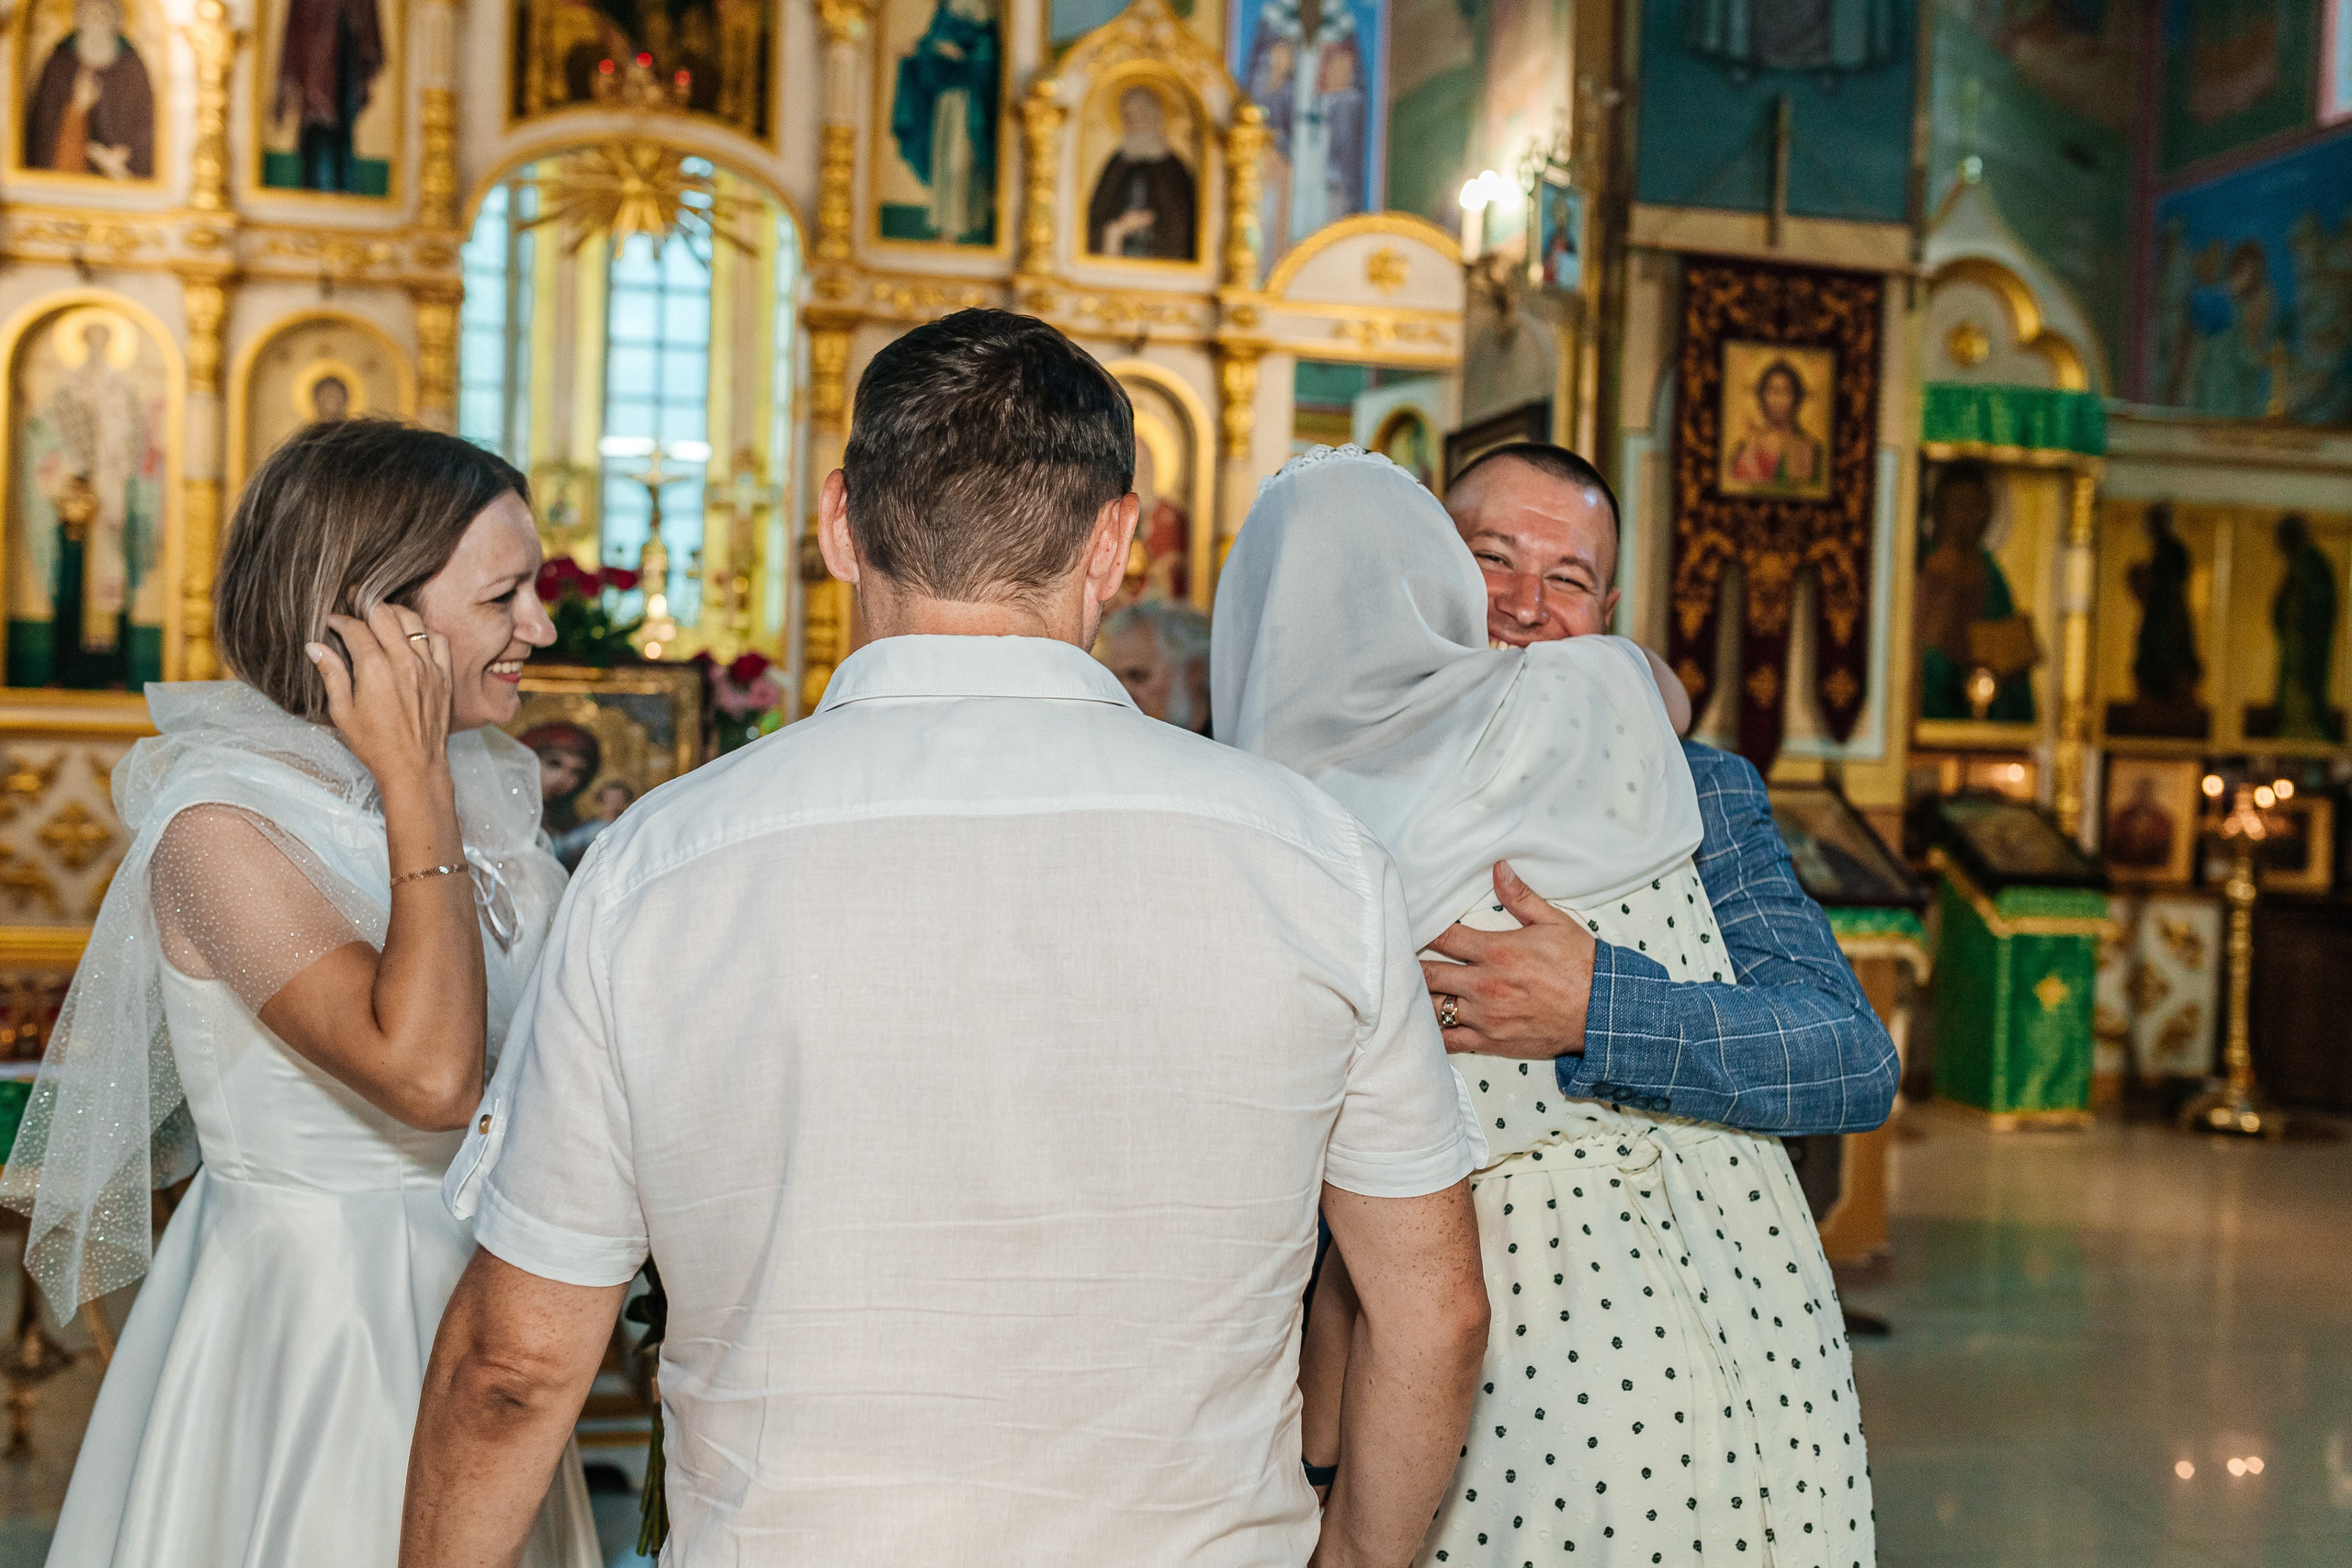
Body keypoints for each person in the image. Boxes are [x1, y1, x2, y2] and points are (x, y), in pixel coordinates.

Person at [400, 310, 1490, 1567]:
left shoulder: (660, 865)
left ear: (838, 525)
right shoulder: (1316, 861)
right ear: (1117, 541)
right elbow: (1435, 1310)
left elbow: (515, 1365)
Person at [1218, 444, 1879, 1566]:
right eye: (1490, 563)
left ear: (1610, 612)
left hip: (1759, 1318)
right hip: (1496, 1346)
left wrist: (1599, 1005)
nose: (1527, 607)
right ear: (1423, 579)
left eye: (1566, 580)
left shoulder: (1697, 782)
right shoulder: (1311, 796)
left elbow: (1843, 1058)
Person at [2, 420, 598, 1568]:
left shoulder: (494, 799)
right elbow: (427, 1076)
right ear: (377, 619)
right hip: (318, 1323)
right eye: (506, 596)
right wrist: (413, 770)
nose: (542, 629)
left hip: (487, 1318)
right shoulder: (220, 829)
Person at [23, 0, 154, 180]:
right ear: (78, 21)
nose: (96, 22)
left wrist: (126, 152)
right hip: (68, 173)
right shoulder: (60, 64)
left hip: (121, 171)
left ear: (115, 22)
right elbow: (43, 128)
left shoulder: (132, 66)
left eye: (103, 15)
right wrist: (77, 108)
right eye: (89, 14)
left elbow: (147, 124)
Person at [273, 0, 384, 191]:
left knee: (340, 144)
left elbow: (368, 36)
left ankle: (343, 191)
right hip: (313, 92)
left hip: (344, 74)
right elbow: (294, 35)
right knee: (316, 143)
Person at [1087, 85, 1197, 260]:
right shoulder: (1117, 164)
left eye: (1142, 114)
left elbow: (1183, 226)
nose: (1137, 122)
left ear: (1155, 116)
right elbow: (1096, 217)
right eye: (1130, 117)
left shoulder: (1173, 168)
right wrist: (1117, 229)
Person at [1100, 597, 1211, 734]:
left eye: (1137, 676)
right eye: (1115, 680)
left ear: (1193, 670)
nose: (1122, 694)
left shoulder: (1234, 741)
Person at [1724, 359, 1824, 491]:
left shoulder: (1809, 446)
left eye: (1784, 391)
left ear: (1796, 398)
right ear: (1762, 397)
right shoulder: (1744, 446)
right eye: (1771, 391)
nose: (1777, 399)